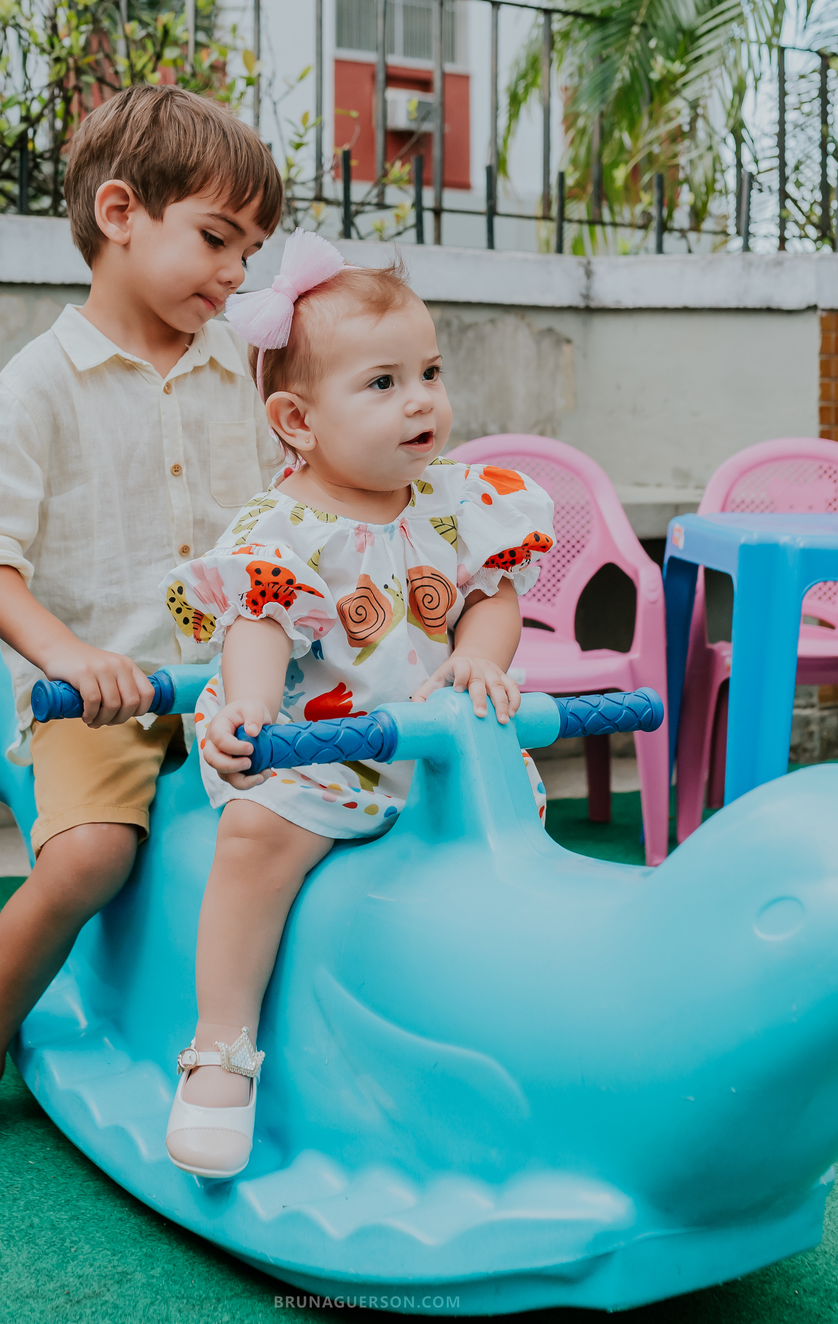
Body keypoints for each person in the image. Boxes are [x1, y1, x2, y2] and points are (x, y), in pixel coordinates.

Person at [0, 85, 283, 1179]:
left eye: (251, 251)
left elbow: (285, 518)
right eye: (216, 238)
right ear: (120, 213)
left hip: (234, 684)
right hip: (101, 702)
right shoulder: (38, 386)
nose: (236, 273)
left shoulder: (240, 374)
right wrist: (67, 657)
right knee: (89, 858)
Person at [160, 232, 554, 1179]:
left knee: (516, 839)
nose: (421, 399)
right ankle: (220, 1047)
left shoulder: (459, 500)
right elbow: (257, 620)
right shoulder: (284, 526)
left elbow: (493, 596)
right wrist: (254, 708)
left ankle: (523, 1016)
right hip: (321, 748)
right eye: (383, 383)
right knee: (255, 838)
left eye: (429, 372)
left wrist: (478, 657)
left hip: (438, 748)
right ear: (297, 420)